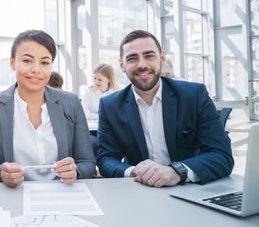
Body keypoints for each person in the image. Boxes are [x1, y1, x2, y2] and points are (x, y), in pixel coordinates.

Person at [97, 30, 234, 187]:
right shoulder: (110, 106)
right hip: (140, 190)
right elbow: (106, 160)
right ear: (122, 65)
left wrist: (177, 171)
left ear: (162, 58)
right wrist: (135, 171)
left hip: (189, 189)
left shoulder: (194, 95)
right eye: (132, 58)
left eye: (149, 56)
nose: (142, 65)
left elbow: (221, 155)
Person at [0, 30, 96, 187]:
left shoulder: (70, 103)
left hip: (63, 194)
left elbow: (88, 162)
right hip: (14, 196)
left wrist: (76, 171)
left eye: (45, 62)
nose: (36, 69)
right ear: (12, 63)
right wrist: (0, 172)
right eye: (27, 61)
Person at [81, 63, 118, 155]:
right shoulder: (89, 91)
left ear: (109, 79)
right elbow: (83, 113)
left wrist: (95, 116)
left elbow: (116, 116)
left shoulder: (116, 93)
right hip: (92, 131)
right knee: (93, 144)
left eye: (100, 80)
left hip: (110, 131)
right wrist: (103, 116)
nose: (96, 82)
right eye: (94, 78)